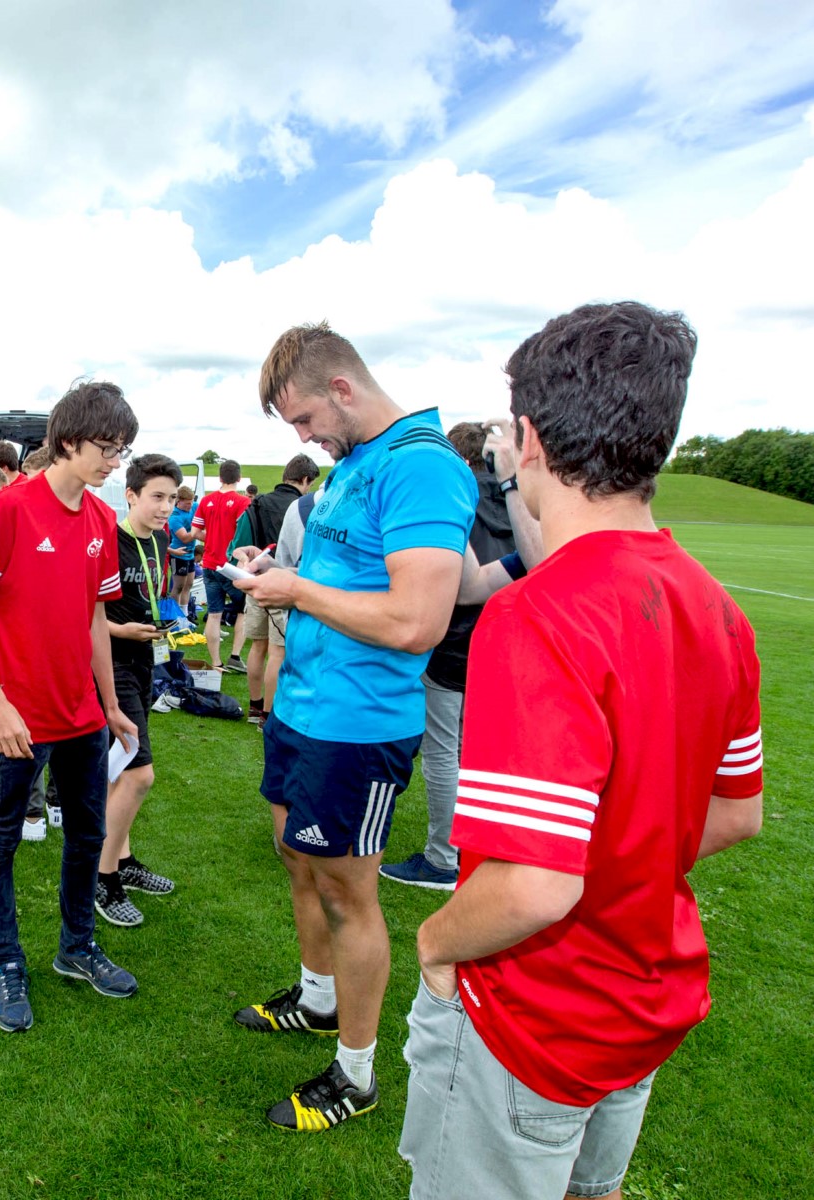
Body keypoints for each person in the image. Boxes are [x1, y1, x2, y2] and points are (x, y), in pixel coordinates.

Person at [397, 302, 764, 1199]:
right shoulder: (716, 606)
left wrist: (436, 942)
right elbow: (733, 815)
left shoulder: (538, 614)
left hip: (535, 1016)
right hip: (640, 997)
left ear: (527, 437)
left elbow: (533, 883)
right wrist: (622, 863)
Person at [232, 322, 476, 1133]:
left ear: (342, 389)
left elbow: (414, 621)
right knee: (297, 861)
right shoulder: (354, 465)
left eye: (302, 421)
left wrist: (293, 594)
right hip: (301, 708)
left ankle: (357, 1074)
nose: (301, 439)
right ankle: (316, 998)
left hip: (358, 727)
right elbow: (340, 578)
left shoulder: (419, 467)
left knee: (347, 892)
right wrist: (282, 577)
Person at [0, 379, 142, 1034]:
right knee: (0, 841)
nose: (115, 461)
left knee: (87, 836)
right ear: (65, 441)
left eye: (122, 449)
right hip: (14, 719)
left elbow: (92, 618)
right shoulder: (10, 508)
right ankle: (5, 962)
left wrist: (111, 703)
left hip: (81, 715)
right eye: (106, 447)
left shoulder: (99, 521)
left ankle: (75, 947)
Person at [379, 420, 542, 890]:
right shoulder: (525, 498)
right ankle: (481, 844)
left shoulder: (453, 497)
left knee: (443, 753)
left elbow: (457, 581)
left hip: (454, 641)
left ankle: (443, 857)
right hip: (511, 642)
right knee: (485, 749)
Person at [95, 453, 183, 928]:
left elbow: (153, 593)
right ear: (130, 495)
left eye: (172, 498)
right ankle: (101, 876)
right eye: (156, 497)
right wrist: (120, 630)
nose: (166, 506)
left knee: (118, 770)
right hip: (111, 663)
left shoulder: (163, 539)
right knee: (139, 773)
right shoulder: (108, 539)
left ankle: (123, 860)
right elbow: (83, 613)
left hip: (146, 659)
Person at [228, 455, 320, 726]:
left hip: (255, 581)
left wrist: (246, 560)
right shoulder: (306, 507)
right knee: (277, 652)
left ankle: (255, 707)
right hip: (283, 581)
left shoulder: (256, 503)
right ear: (305, 480)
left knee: (257, 647)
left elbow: (237, 545)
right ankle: (268, 715)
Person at [191, 460, 252, 673]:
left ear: (220, 478)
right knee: (244, 610)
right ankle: (235, 656)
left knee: (214, 613)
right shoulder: (242, 502)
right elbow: (243, 534)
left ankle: (216, 663)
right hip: (230, 566)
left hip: (208, 563)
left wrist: (212, 539)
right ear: (239, 478)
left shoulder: (206, 500)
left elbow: (195, 532)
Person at [167, 485, 198, 610]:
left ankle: (185, 615)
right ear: (178, 501)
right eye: (187, 504)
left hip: (190, 554)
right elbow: (184, 537)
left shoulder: (195, 506)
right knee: (178, 586)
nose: (190, 506)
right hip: (178, 554)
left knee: (189, 585)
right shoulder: (175, 517)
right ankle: (175, 617)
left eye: (191, 503)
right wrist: (198, 531)